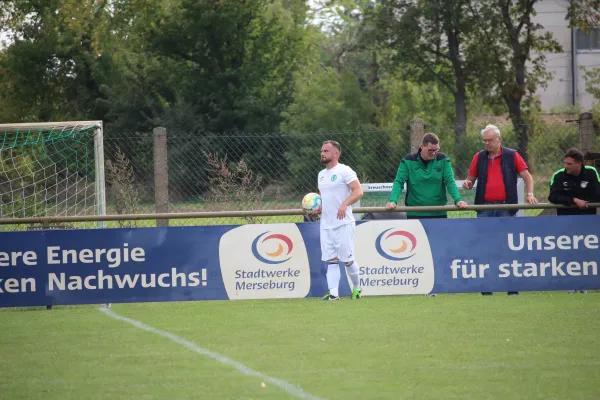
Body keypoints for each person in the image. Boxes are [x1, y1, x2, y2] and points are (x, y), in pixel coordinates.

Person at [462, 124, 538, 296]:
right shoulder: (479, 157)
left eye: (490, 140)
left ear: (499, 139)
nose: (487, 144)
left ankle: (511, 287)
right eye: (484, 141)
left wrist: (530, 193)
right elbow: (470, 180)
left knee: (507, 247)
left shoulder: (512, 155)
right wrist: (467, 184)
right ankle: (486, 287)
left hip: (506, 207)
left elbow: (527, 176)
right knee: (485, 247)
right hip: (485, 208)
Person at [311, 140, 364, 301]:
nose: (322, 153)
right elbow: (328, 198)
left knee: (347, 260)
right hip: (326, 225)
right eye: (321, 151)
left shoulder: (344, 171)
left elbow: (358, 191)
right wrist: (320, 208)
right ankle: (333, 293)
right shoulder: (321, 175)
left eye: (326, 151)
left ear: (336, 154)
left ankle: (357, 288)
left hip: (343, 224)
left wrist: (344, 204)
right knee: (331, 261)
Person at [548, 148, 600, 294]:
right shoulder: (559, 175)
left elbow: (598, 192)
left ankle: (584, 284)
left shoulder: (591, 172)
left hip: (587, 220)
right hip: (566, 221)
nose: (566, 166)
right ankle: (569, 284)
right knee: (567, 251)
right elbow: (553, 197)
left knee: (585, 251)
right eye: (565, 163)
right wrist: (573, 200)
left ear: (579, 164)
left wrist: (588, 200)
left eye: (569, 164)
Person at [385, 133, 468, 219]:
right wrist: (393, 201)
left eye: (437, 150)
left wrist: (458, 200)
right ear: (421, 146)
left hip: (439, 213)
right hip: (414, 214)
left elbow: (450, 182)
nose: (434, 153)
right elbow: (399, 182)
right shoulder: (408, 161)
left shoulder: (443, 160)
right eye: (431, 150)